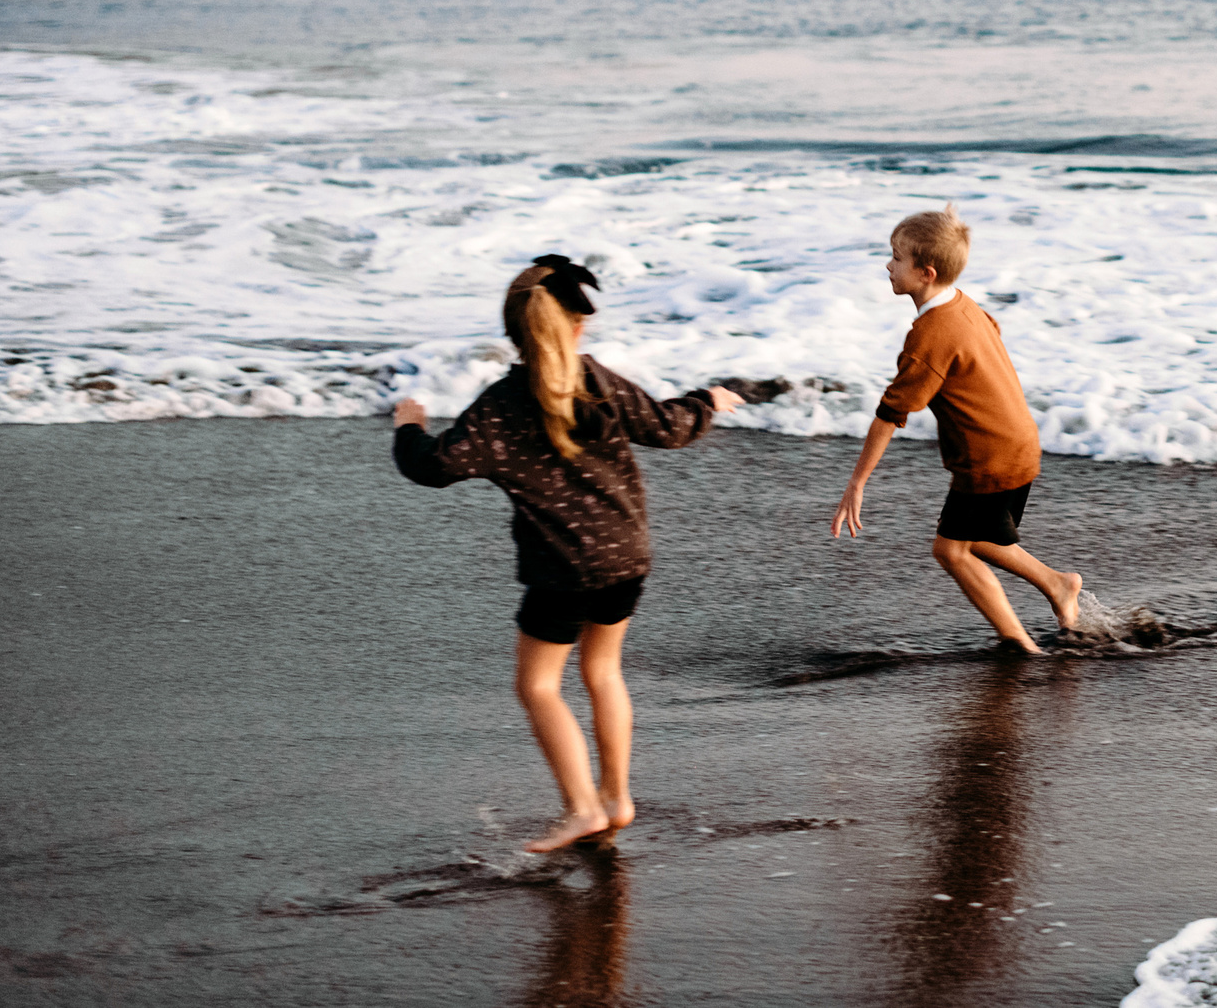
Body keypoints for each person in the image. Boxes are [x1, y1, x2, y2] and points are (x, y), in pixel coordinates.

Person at [392, 254, 744, 852]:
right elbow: (667, 427)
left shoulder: (501, 404)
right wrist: (707, 399)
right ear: (577, 327)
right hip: (627, 557)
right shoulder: (598, 380)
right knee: (603, 672)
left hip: (562, 570)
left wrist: (409, 426)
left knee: (537, 686)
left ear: (514, 335)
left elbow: (435, 467)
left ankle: (581, 808)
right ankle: (615, 797)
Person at [829, 206, 1082, 653]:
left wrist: (856, 484)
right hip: (1020, 444)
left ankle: (1020, 644)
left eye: (896, 257)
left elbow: (891, 413)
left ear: (926, 273)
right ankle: (1058, 585)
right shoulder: (966, 306)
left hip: (988, 460)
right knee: (979, 540)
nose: (887, 266)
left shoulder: (929, 335)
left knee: (950, 550)